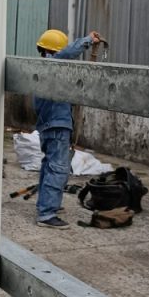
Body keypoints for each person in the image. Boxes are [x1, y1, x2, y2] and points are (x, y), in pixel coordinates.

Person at [34, 28, 102, 229]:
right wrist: (88, 40)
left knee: (49, 166)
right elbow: (67, 53)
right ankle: (47, 213)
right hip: (57, 126)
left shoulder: (39, 70)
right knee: (58, 169)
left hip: (49, 126)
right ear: (54, 51)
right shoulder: (52, 64)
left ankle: (45, 204)